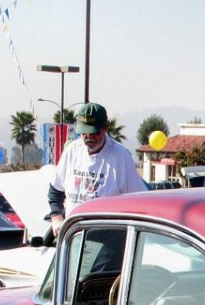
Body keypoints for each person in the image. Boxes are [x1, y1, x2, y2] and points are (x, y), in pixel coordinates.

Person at [47, 102, 147, 238]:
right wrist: (56, 217)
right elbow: (55, 191)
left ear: (105, 128)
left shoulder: (120, 156)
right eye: (84, 133)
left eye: (94, 132)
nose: (89, 137)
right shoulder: (72, 151)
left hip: (106, 237)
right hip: (74, 235)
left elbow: (140, 200)